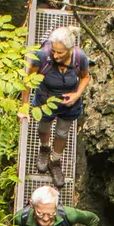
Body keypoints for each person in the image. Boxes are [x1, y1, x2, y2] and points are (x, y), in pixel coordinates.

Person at [21, 25, 91, 189]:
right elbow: (28, 79)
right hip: (46, 100)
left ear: (70, 49)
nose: (55, 55)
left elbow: (85, 77)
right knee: (44, 126)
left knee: (62, 132)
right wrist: (24, 106)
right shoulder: (43, 56)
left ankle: (55, 161)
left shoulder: (79, 58)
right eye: (53, 51)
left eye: (60, 52)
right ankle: (44, 149)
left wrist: (77, 94)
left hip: (68, 103)